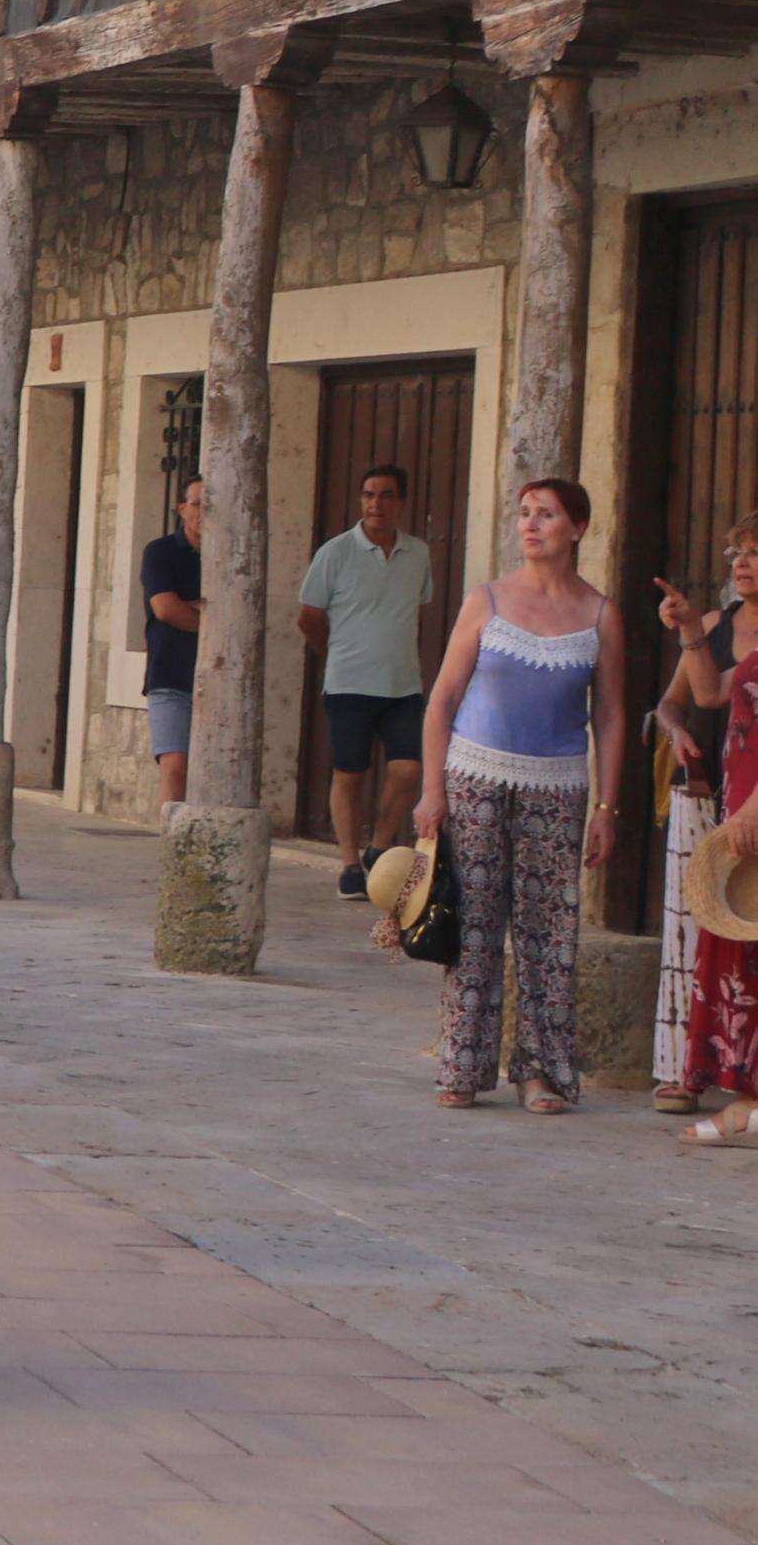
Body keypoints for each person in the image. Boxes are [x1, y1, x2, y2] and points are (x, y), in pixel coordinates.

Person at [413, 478, 624, 1116]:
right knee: (473, 925)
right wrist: (431, 791)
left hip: (558, 788)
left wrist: (608, 807)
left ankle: (543, 1073)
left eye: (547, 515)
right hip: (474, 777)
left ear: (578, 528)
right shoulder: (487, 600)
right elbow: (443, 699)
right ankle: (461, 1065)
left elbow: (611, 715)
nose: (531, 525)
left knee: (549, 932)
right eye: (525, 513)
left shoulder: (599, 614)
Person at [656, 521, 758, 1121]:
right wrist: (693, 628)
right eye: (738, 554)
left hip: (754, 799)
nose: (743, 563)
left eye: (757, 554)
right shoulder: (731, 624)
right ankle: (728, 1075)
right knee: (731, 935)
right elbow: (710, 693)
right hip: (738, 793)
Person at [299, 464, 437, 900]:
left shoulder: (419, 553)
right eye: (368, 494)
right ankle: (349, 864)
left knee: (407, 769)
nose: (376, 504)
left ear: (402, 502)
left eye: (386, 495)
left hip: (403, 686)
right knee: (350, 774)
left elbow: (416, 610)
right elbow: (308, 618)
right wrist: (339, 655)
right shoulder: (334, 553)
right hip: (348, 685)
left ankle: (379, 847)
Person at [139, 474, 204, 804]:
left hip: (217, 682)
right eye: (198, 504)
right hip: (170, 677)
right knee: (175, 765)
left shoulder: (232, 558)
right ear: (182, 508)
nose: (205, 513)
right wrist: (209, 618)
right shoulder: (160, 552)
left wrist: (189, 608)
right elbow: (166, 610)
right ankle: (172, 847)